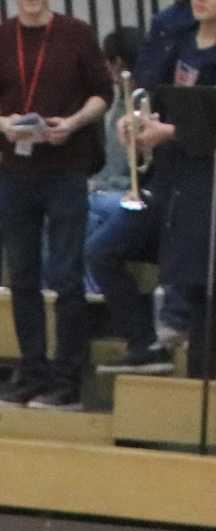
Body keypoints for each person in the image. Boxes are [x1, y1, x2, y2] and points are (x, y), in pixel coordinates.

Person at [0, 0, 114, 408]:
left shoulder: (76, 33)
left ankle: (67, 379)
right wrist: (4, 124)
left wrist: (71, 123)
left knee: (66, 274)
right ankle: (31, 371)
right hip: (17, 168)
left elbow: (102, 93)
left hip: (67, 166)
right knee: (21, 275)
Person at [126, 0, 216, 378]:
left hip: (210, 179)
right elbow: (160, 100)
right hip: (183, 180)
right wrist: (137, 124)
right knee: (192, 285)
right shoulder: (180, 40)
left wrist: (173, 133)